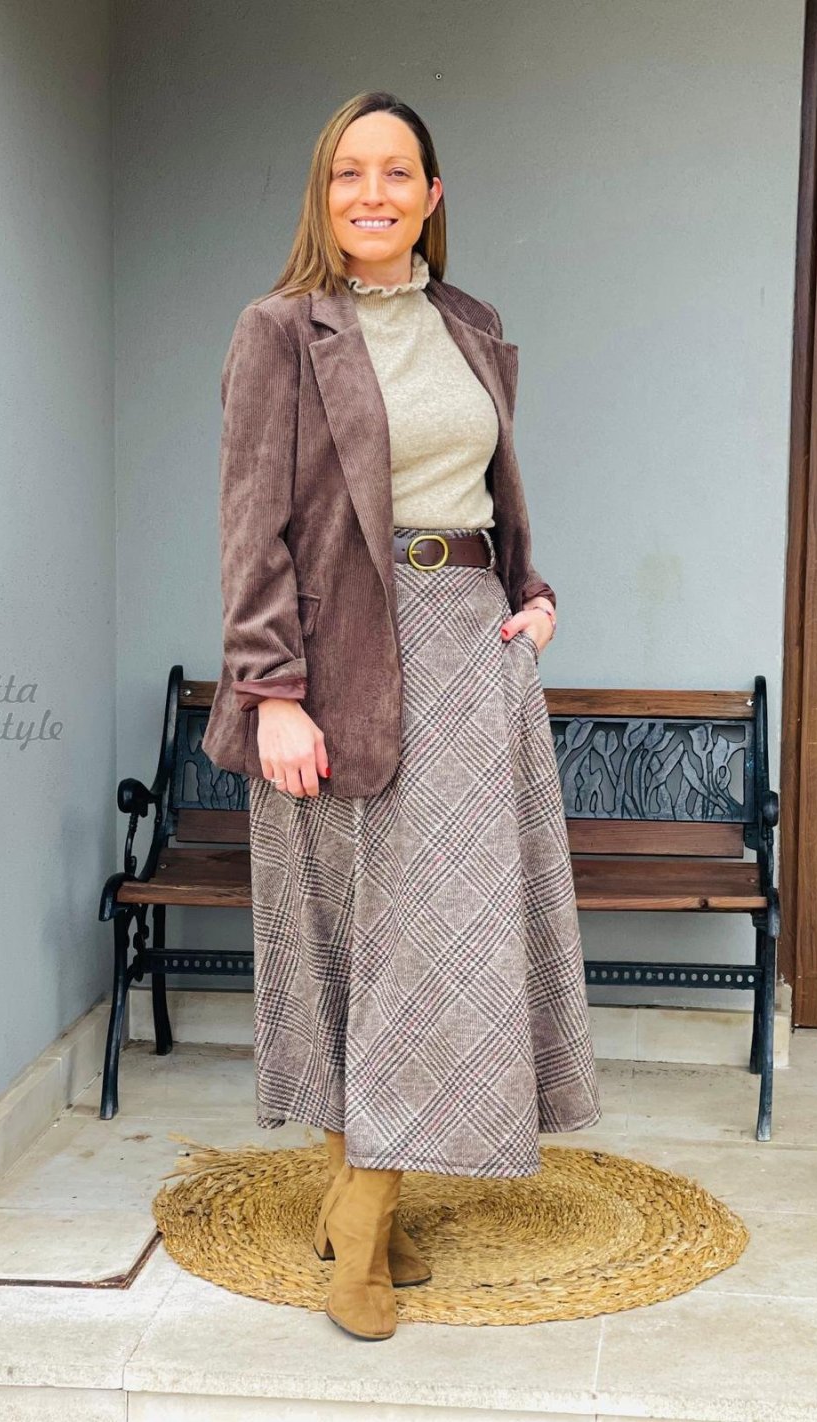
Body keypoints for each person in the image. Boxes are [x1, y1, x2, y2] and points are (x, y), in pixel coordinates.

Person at [202, 90, 601, 1341]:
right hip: (337, 670)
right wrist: (270, 690)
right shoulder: (280, 331)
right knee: (347, 944)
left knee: (436, 945)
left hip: (469, 655)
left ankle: (357, 1205)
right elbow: (252, 528)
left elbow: (489, 486)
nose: (370, 194)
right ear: (322, 198)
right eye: (347, 174)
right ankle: (363, 1222)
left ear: (431, 196)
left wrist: (531, 594)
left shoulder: (467, 325)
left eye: (395, 173)